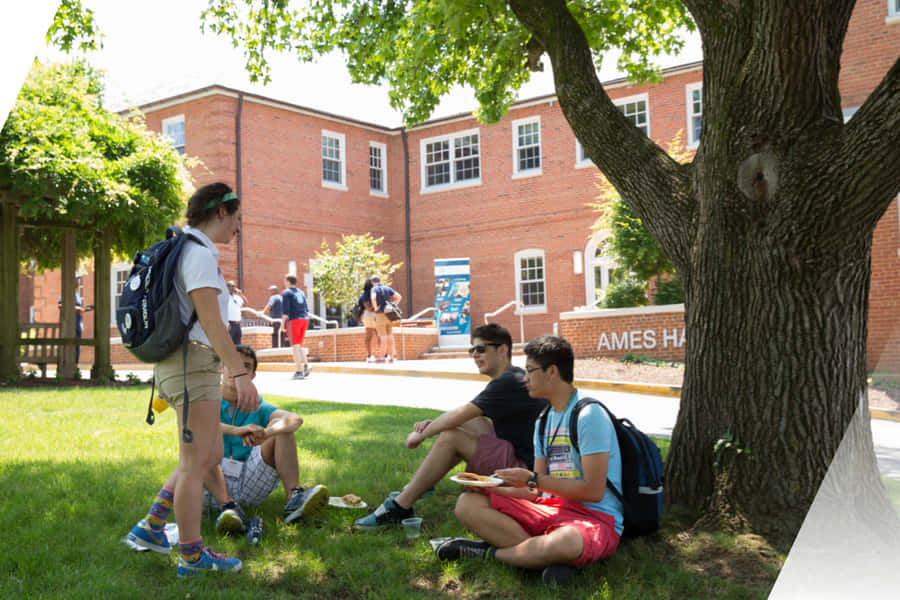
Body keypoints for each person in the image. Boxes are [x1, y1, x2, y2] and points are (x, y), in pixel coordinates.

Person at [125, 182, 260, 577]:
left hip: (184, 366)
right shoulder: (199, 254)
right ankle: (191, 555)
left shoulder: (187, 249)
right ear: (221, 212)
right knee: (195, 464)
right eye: (237, 219)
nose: (238, 228)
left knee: (209, 455)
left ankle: (151, 526)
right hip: (192, 365)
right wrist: (240, 373)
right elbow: (213, 323)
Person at [434, 335, 623, 587]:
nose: (525, 378)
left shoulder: (589, 415)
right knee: (467, 503)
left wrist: (534, 479)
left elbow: (593, 491)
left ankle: (487, 553)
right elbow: (537, 493)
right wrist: (492, 488)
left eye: (531, 371)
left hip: (594, 518)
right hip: (552, 509)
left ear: (552, 372)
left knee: (565, 542)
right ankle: (548, 560)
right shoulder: (544, 420)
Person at [355, 323, 548, 530]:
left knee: (451, 437)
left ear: (503, 350)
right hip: (526, 458)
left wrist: (421, 436)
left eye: (481, 349)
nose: (475, 355)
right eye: (472, 350)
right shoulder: (513, 376)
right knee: (470, 422)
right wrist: (434, 424)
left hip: (526, 475)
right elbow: (464, 415)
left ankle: (400, 506)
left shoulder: (507, 383)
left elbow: (457, 416)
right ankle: (423, 484)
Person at [203, 344, 328, 534]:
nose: (238, 370)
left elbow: (294, 419)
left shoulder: (256, 403)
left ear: (252, 376)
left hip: (249, 480)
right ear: (221, 367)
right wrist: (236, 431)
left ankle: (294, 499)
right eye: (232, 363)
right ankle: (228, 507)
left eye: (245, 366)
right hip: (211, 485)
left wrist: (266, 433)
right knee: (200, 441)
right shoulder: (206, 399)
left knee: (282, 427)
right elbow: (195, 425)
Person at [282, 274, 311, 380]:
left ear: (288, 282)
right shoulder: (301, 292)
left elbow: (285, 311)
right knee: (298, 345)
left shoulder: (286, 292)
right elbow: (306, 309)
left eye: (285, 281)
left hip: (294, 320)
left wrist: (282, 324)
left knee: (295, 346)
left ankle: (298, 371)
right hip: (304, 320)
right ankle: (306, 364)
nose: (284, 283)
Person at [370, 276, 401, 363]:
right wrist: (393, 305)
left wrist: (375, 308)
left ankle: (381, 357)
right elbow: (399, 297)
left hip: (380, 315)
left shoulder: (374, 289)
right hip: (389, 314)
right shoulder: (387, 288)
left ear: (372, 282)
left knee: (382, 337)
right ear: (380, 281)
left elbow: (373, 298)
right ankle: (391, 357)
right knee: (390, 336)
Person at [57, 287, 93, 364]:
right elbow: (60, 305)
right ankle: (66, 366)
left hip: (77, 325)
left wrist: (85, 309)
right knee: (67, 347)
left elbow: (79, 310)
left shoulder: (77, 295)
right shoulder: (65, 294)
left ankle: (75, 366)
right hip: (68, 325)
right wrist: (77, 308)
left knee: (77, 347)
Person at [354, 278, 379, 363]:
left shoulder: (367, 293)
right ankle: (376, 355)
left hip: (369, 315)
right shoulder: (368, 294)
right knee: (375, 335)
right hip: (370, 314)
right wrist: (377, 308)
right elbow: (368, 307)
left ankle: (371, 355)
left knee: (372, 336)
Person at [226, 280, 247, 345]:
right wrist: (226, 323)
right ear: (227, 287)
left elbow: (246, 303)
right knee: (228, 344)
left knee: (238, 345)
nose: (232, 288)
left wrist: (241, 294)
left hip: (237, 325)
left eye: (233, 286)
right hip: (229, 324)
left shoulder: (237, 297)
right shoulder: (224, 297)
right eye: (230, 286)